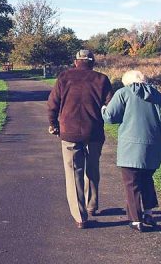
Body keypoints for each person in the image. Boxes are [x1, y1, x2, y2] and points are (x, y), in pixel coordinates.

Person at [102, 70, 161, 232]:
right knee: (147, 179)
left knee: (132, 183)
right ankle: (148, 213)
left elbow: (109, 117)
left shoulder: (123, 93)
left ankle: (136, 220)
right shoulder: (159, 96)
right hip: (152, 148)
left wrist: (103, 108)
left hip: (129, 149)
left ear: (127, 82)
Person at [47, 49, 113, 229]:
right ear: (92, 62)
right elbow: (111, 106)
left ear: (76, 61)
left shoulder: (64, 77)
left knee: (73, 173)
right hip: (94, 132)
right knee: (92, 169)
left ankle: (80, 217)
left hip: (69, 132)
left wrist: (53, 123)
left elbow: (53, 103)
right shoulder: (102, 79)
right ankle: (92, 205)